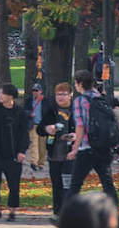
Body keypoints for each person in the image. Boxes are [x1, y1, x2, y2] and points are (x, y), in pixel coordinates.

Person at [65, 71, 117, 208]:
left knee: (75, 185)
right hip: (103, 148)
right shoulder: (100, 98)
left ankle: (64, 217)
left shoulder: (80, 101)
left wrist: (74, 149)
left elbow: (81, 127)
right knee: (108, 185)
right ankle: (114, 218)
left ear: (80, 84)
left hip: (87, 149)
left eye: (75, 83)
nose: (75, 86)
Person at [0, 84, 30, 222]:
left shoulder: (19, 112)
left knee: (14, 184)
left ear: (10, 96)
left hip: (14, 154)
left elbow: (24, 135)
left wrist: (22, 151)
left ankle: (12, 211)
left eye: (2, 93)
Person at [38, 83, 75, 213]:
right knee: (56, 185)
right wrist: (47, 129)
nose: (60, 97)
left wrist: (76, 135)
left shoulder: (75, 110)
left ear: (70, 95)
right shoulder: (51, 110)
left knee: (69, 185)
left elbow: (86, 130)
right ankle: (57, 212)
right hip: (54, 154)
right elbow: (40, 129)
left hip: (71, 154)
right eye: (58, 94)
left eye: (64, 94)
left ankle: (70, 212)